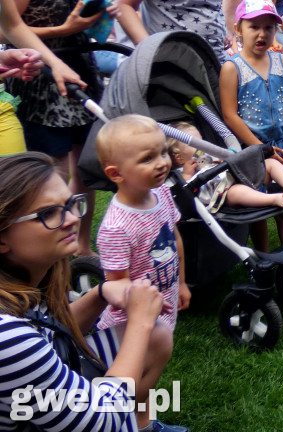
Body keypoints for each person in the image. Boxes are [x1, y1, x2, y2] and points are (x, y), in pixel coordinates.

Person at [0, 152, 187, 432]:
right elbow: (105, 421)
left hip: (35, 399)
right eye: (47, 213)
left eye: (70, 204)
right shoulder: (7, 337)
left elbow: (50, 333)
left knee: (156, 335)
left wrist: (99, 294)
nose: (71, 219)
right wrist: (138, 321)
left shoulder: (31, 276)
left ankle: (142, 425)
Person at [7, 0, 117, 256]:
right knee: (50, 170)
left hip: (81, 72)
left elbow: (80, 23)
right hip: (40, 79)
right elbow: (9, 30)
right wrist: (63, 31)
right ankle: (51, 246)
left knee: (84, 166)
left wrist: (99, 18)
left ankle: (81, 247)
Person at [218, 0, 283, 250]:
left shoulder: (282, 62)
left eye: (269, 27)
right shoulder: (231, 68)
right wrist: (263, 150)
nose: (262, 33)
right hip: (251, 153)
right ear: (238, 29)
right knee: (259, 211)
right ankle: (263, 258)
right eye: (254, 26)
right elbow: (230, 115)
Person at [93, 115, 189, 332]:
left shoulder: (162, 192)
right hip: (129, 323)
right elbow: (117, 286)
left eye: (163, 152)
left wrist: (181, 283)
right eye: (148, 159)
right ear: (116, 173)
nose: (163, 163)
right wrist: (147, 307)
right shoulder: (116, 228)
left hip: (164, 303)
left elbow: (175, 239)